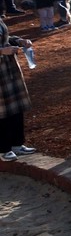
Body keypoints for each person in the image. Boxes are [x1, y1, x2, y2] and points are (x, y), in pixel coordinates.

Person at [0, 14, 36, 160]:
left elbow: (5, 38)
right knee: (2, 111)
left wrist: (19, 41)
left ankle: (17, 144)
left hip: (8, 69)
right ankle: (3, 149)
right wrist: (1, 51)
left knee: (16, 106)